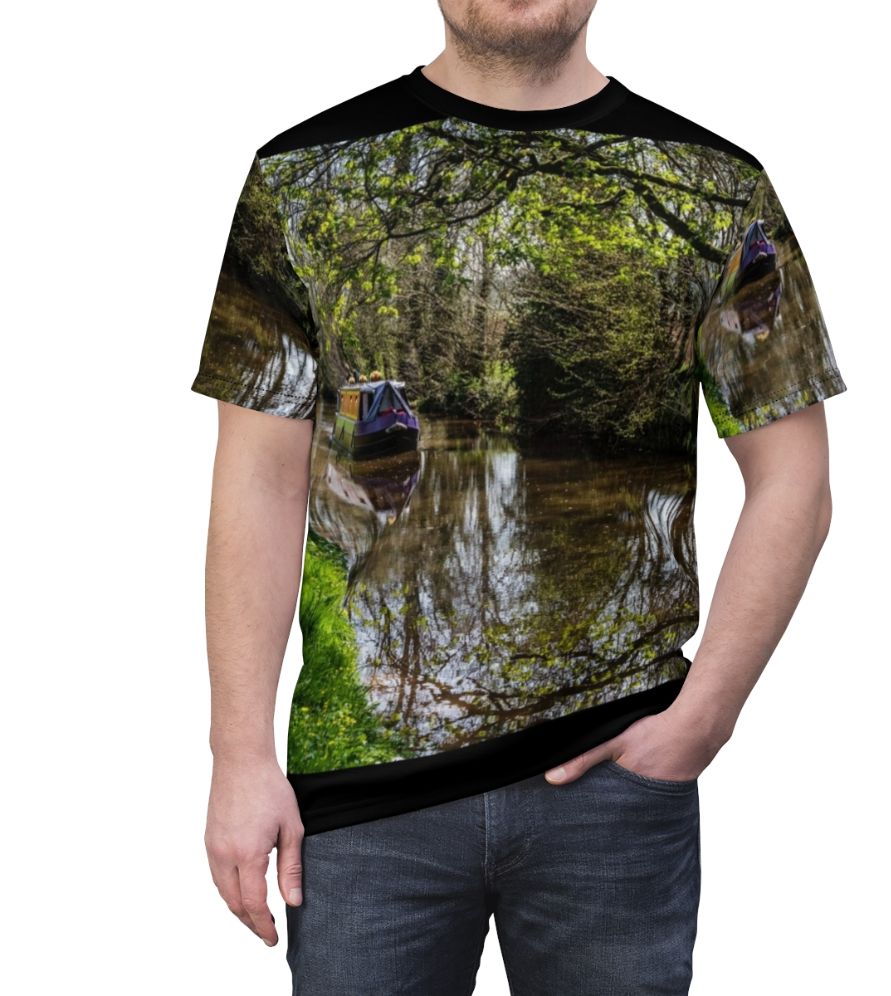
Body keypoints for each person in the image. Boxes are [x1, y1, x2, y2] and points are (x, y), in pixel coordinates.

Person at [191, 2, 846, 992]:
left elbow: (794, 472)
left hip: (615, 780)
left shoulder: (714, 189)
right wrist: (237, 753)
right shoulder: (304, 179)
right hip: (365, 794)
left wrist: (706, 712)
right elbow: (260, 477)